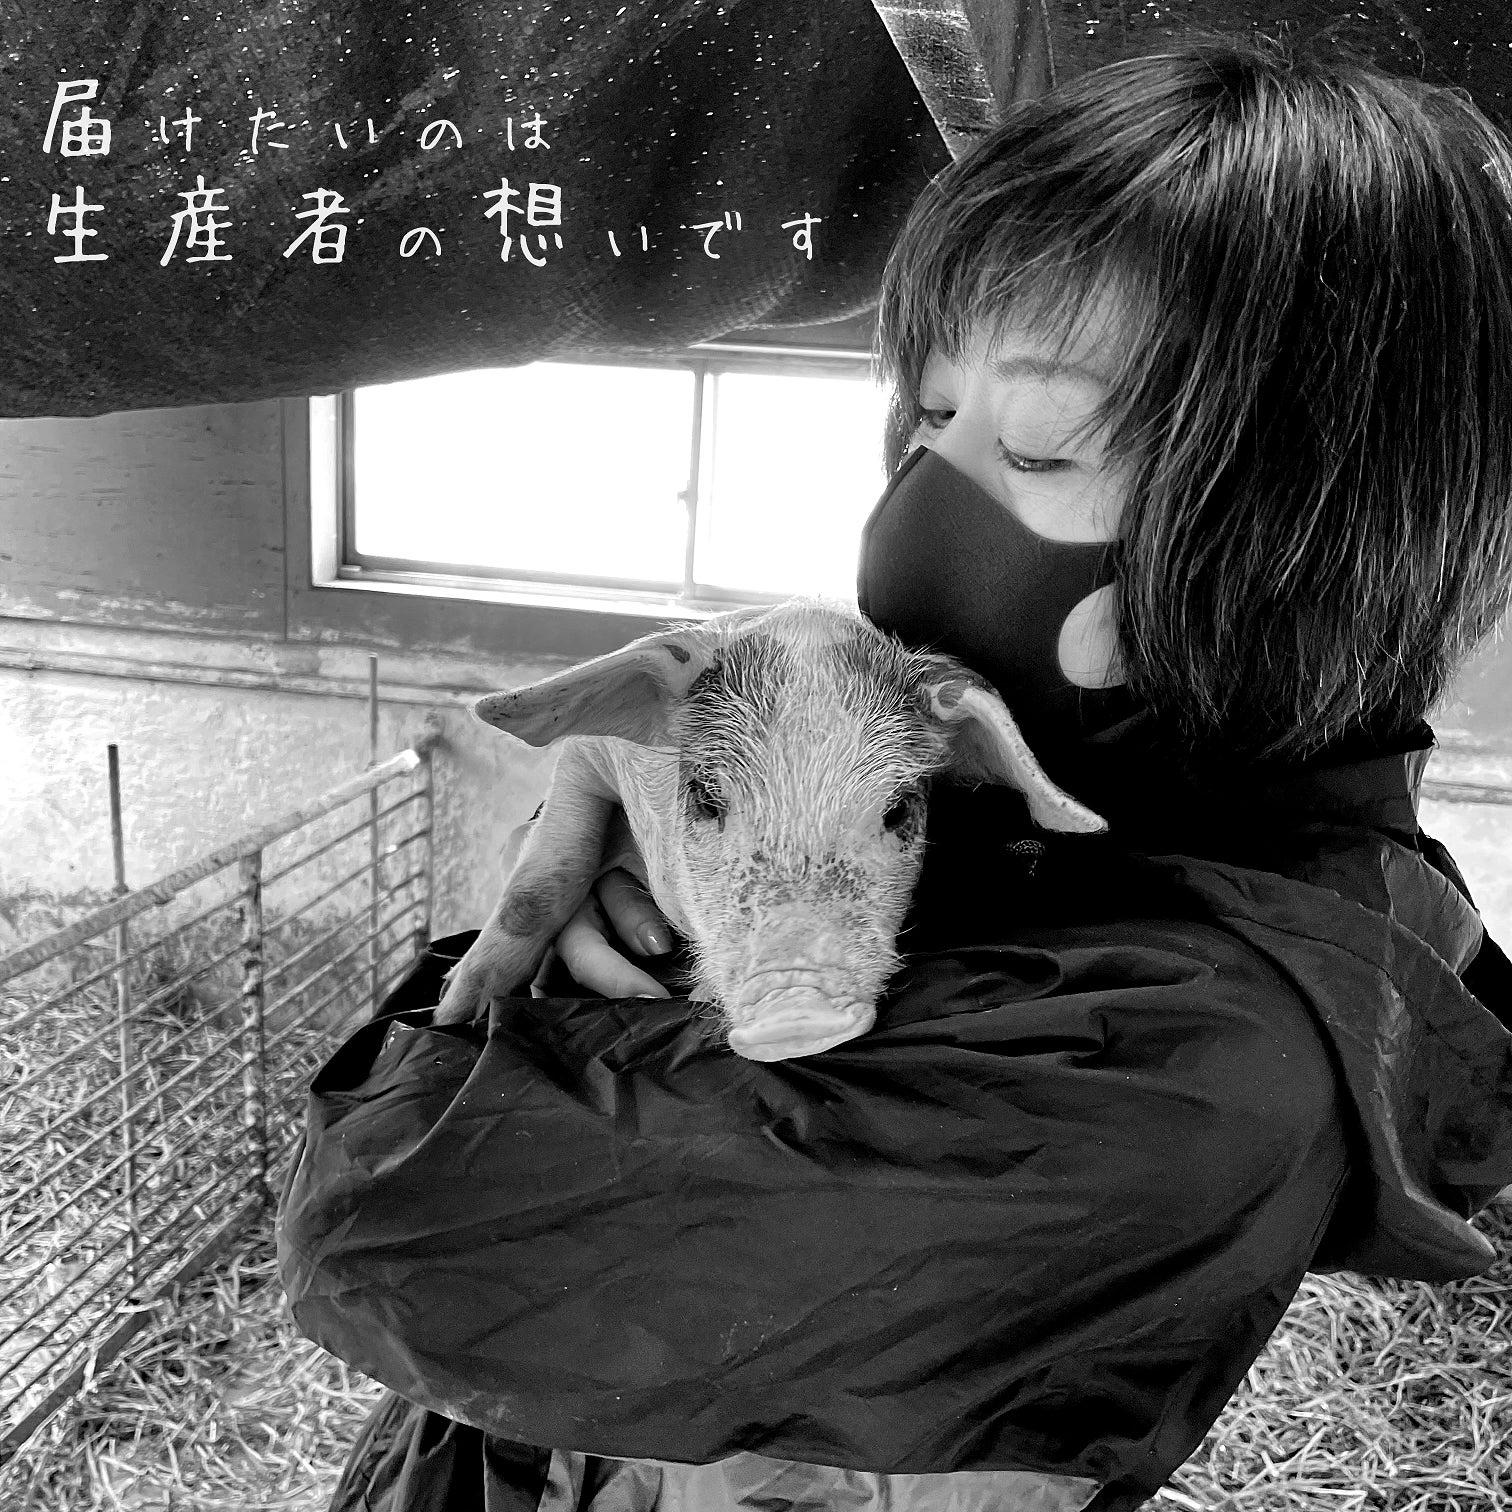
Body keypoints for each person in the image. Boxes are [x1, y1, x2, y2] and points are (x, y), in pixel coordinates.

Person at [277, 33, 1512, 1512]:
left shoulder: (1201, 1069)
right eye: (929, 415)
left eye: (1040, 449)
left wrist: (547, 980)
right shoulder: (1081, 806)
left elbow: (388, 1222)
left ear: (1310, 543)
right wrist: (628, 816)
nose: (922, 507)